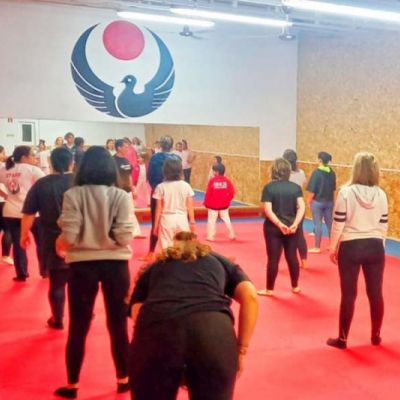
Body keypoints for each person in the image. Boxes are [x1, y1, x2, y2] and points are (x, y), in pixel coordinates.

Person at [128, 231, 258, 400]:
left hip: (158, 330)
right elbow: (250, 296)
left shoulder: (155, 266)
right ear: (198, 245)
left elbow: (137, 312)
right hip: (213, 332)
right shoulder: (219, 260)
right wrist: (241, 349)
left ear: (172, 248)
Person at [54, 146, 137, 398]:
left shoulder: (73, 194)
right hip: (116, 266)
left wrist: (59, 244)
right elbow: (125, 237)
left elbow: (69, 236)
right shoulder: (121, 196)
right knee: (118, 325)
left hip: (82, 266)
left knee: (78, 326)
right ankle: (124, 379)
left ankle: (72, 385)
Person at [327, 152, 388, 349]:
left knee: (348, 295)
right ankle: (376, 336)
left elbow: (338, 223)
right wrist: (381, 246)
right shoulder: (381, 194)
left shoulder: (346, 192)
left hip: (351, 246)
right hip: (375, 246)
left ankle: (342, 339)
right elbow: (383, 225)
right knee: (376, 293)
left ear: (356, 169)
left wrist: (332, 247)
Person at [20, 147, 74, 329]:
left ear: (51, 163)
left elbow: (28, 213)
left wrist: (24, 235)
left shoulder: (42, 184)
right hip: (81, 239)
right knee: (82, 282)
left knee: (57, 283)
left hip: (52, 239)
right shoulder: (81, 182)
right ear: (71, 162)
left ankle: (57, 319)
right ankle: (85, 313)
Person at [258, 158, 305, 296]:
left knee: (273, 258)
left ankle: (269, 289)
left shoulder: (269, 187)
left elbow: (268, 210)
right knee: (292, 257)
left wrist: (279, 224)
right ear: (288, 171)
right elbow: (302, 207)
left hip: (273, 228)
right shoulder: (296, 188)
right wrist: (295, 224)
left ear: (274, 171)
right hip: (292, 228)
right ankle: (295, 286)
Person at [0, 146, 45, 281]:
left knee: (18, 243)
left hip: (11, 211)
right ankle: (45, 271)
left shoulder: (4, 169)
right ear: (24, 157)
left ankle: (21, 274)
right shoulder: (33, 170)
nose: (34, 158)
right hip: (31, 212)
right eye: (32, 155)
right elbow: (45, 186)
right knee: (41, 242)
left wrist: (6, 196)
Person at [140, 135, 181, 261]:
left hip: (159, 191)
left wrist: (157, 188)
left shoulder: (155, 158)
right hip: (175, 191)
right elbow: (180, 176)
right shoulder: (177, 158)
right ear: (172, 146)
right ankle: (178, 250)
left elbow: (150, 177)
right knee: (177, 219)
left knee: (156, 222)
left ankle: (151, 252)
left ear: (160, 145)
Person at [153, 158, 195, 249]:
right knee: (184, 248)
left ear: (165, 171)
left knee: (166, 248)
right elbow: (190, 205)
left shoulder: (161, 187)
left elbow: (158, 209)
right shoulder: (186, 186)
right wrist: (192, 222)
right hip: (182, 219)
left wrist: (155, 226)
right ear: (180, 171)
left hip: (166, 219)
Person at [306, 151, 336, 253]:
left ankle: (317, 247)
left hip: (317, 202)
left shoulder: (316, 173)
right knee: (330, 223)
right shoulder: (332, 172)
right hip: (329, 201)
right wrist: (333, 201)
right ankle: (332, 245)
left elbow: (312, 190)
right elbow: (333, 189)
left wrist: (308, 201)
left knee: (317, 223)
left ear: (319, 160)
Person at [283, 149, 308, 268]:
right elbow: (305, 185)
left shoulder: (284, 174)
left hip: (286, 208)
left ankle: (290, 261)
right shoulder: (301, 173)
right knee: (299, 234)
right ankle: (304, 260)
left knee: (284, 235)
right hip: (299, 207)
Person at [204, 163, 236, 241]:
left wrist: (206, 202)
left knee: (212, 221)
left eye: (213, 171)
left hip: (213, 205)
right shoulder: (227, 181)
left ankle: (211, 236)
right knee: (227, 219)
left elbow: (208, 193)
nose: (213, 172)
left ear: (217, 172)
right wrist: (228, 199)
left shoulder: (212, 181)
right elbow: (232, 192)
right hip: (224, 204)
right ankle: (232, 234)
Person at [0, 146, 12, 265]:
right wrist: (5, 195)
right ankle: (5, 255)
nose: (4, 155)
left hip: (3, 200)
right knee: (7, 229)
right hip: (2, 201)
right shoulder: (3, 167)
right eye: (3, 153)